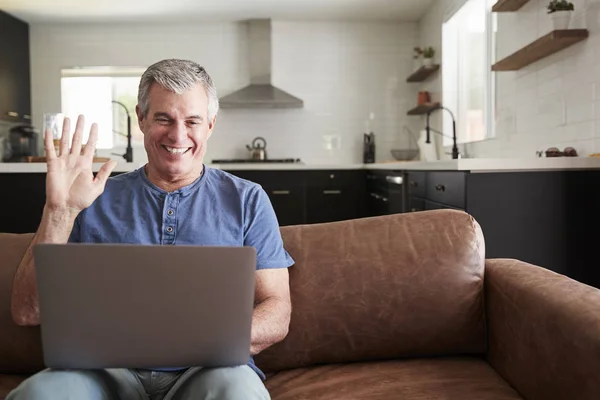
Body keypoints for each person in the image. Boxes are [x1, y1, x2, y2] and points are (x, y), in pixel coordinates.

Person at [8, 59, 293, 400]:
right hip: (102, 371)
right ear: (141, 119)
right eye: (163, 118)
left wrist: (209, 338)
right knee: (39, 394)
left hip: (211, 368)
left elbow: (277, 309)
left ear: (211, 125)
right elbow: (27, 312)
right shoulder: (90, 198)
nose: (178, 135)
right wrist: (60, 210)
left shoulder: (247, 199)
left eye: (192, 121)